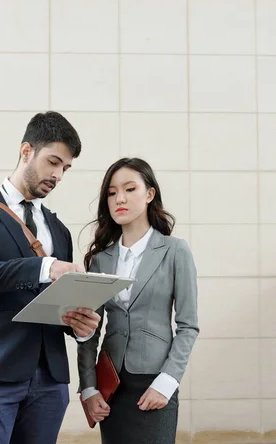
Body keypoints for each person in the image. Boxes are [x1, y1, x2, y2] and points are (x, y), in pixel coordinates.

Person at [0, 111, 101, 444]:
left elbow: (56, 304)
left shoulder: (59, 230)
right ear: (26, 151)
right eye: (53, 162)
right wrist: (46, 267)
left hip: (50, 382)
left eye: (65, 168)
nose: (58, 175)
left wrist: (79, 324)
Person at [77, 157, 199, 444]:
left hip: (155, 382)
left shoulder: (175, 251)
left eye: (130, 189)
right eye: (111, 192)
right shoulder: (100, 259)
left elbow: (188, 326)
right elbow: (87, 330)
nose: (119, 198)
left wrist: (167, 383)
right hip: (110, 385)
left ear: (149, 194)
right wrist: (89, 388)